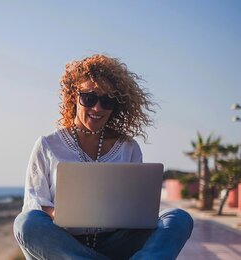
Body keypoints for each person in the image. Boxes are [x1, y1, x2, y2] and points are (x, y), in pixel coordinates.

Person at [13, 54, 193, 260]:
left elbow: (138, 207)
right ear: (74, 97)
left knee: (178, 219)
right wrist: (65, 215)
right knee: (25, 223)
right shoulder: (47, 145)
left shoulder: (128, 148)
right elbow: (35, 203)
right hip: (65, 245)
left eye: (107, 101)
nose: (97, 108)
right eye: (89, 98)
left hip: (118, 241)